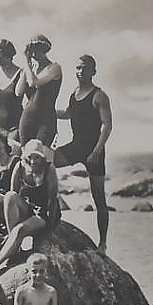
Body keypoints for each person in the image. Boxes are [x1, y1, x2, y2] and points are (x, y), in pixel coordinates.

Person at [54, 55, 113, 254]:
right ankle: (50, 211)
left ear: (93, 72)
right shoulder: (74, 93)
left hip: (94, 151)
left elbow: (107, 124)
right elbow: (68, 114)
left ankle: (103, 244)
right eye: (78, 68)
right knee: (46, 162)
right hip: (76, 147)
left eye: (84, 68)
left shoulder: (99, 96)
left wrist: (97, 151)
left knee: (99, 199)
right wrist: (45, 110)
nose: (80, 72)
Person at [0, 139, 60, 271]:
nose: (33, 161)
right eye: (30, 157)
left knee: (20, 230)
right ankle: (14, 246)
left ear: (42, 157)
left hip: (43, 213)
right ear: (25, 157)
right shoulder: (20, 167)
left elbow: (53, 201)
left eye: (37, 157)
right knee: (9, 196)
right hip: (29, 208)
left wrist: (48, 231)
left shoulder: (49, 169)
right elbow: (12, 195)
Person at [15, 34, 62, 149]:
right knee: (26, 156)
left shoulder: (54, 68)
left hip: (45, 120)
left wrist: (26, 63)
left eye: (38, 49)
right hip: (27, 119)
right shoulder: (30, 70)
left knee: (41, 154)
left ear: (45, 50)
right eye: (31, 50)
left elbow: (34, 82)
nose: (34, 53)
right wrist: (27, 69)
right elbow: (18, 92)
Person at [0, 39, 24, 151]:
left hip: (15, 127)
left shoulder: (21, 74)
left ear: (7, 54)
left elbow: (31, 101)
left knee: (14, 158)